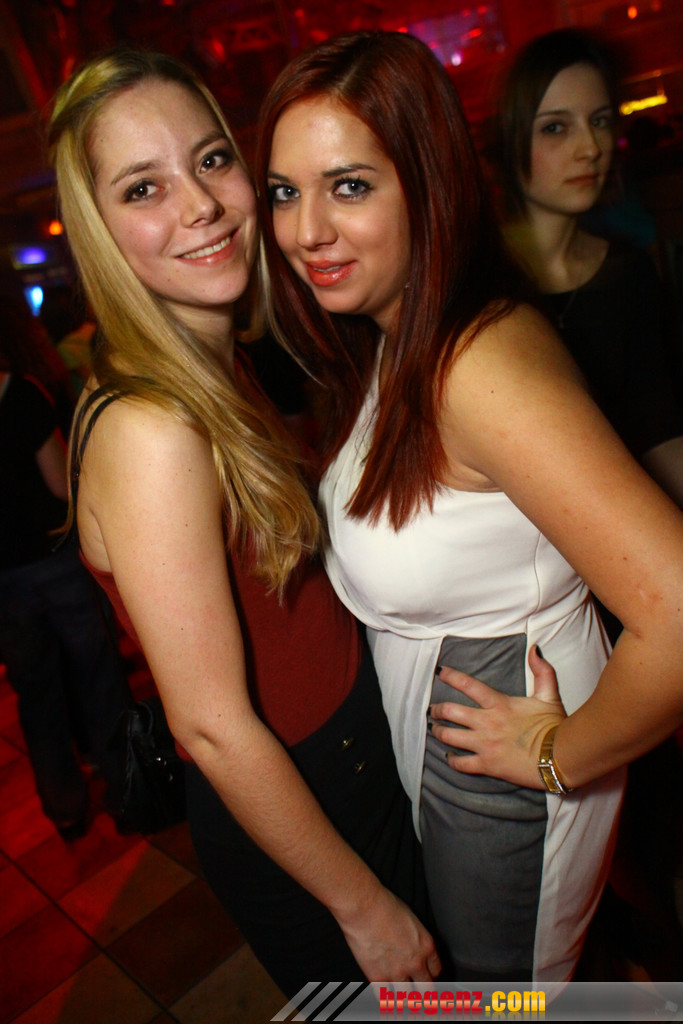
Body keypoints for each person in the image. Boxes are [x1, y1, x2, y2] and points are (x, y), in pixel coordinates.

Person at [255, 30, 683, 983]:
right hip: (455, 743)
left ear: (429, 182)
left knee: (505, 1001)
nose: (306, 229)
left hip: (504, 767)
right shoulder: (396, 330)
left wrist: (560, 756)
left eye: (348, 186)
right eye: (284, 191)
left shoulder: (476, 363)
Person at [47, 48, 439, 996]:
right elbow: (213, 726)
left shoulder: (212, 366)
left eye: (212, 160)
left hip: (341, 766)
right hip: (308, 808)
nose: (201, 205)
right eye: (144, 187)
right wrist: (362, 907)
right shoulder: (152, 428)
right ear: (97, 228)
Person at [496, 28, 683, 509]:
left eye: (598, 121)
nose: (591, 147)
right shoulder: (474, 277)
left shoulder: (628, 272)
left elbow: (660, 435)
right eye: (555, 128)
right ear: (510, 137)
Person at [0, 286, 131, 839]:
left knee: (37, 694)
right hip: (53, 562)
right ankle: (126, 790)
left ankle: (65, 807)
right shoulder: (22, 394)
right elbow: (59, 484)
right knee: (98, 676)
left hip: (4, 581)